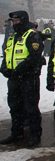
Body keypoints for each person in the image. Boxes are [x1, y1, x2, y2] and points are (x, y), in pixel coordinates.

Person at [0, 11, 43, 146]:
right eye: (13, 21)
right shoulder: (13, 36)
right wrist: (4, 68)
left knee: (31, 108)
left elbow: (34, 56)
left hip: (28, 78)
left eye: (16, 21)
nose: (14, 23)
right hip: (13, 78)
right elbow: (7, 53)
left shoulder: (32, 36)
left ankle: (35, 134)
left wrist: (20, 70)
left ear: (23, 20)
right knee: (15, 107)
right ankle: (16, 133)